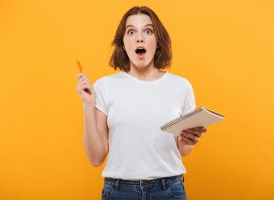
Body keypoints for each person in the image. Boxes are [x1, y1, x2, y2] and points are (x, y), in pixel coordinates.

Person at [76, 6, 206, 200]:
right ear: (123, 42)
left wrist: (188, 140)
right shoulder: (104, 87)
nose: (139, 38)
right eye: (131, 31)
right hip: (119, 192)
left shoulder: (181, 86)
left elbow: (182, 150)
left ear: (157, 41)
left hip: (168, 190)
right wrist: (87, 105)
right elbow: (95, 158)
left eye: (147, 31)